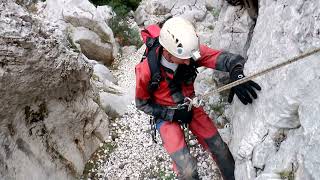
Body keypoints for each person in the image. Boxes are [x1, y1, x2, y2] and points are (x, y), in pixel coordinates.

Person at [135, 17, 261, 180]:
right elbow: (142, 103)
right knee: (187, 171)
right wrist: (172, 115)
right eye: (184, 59)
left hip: (190, 105)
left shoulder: (189, 53)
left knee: (220, 149)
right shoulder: (146, 71)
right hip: (165, 114)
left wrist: (237, 73)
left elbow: (227, 59)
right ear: (168, 54)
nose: (189, 62)